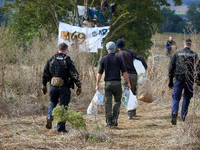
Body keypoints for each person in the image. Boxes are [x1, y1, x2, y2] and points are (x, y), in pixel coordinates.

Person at [42, 43, 82, 133]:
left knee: (52, 102)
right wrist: (79, 86)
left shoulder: (51, 59)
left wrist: (43, 85)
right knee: (63, 106)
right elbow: (74, 74)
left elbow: (45, 73)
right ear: (66, 50)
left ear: (58, 50)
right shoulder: (67, 60)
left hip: (53, 87)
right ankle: (61, 128)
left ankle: (49, 117)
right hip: (64, 87)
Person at [96, 41, 131, 128]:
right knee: (117, 101)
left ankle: (108, 122)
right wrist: (128, 82)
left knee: (108, 103)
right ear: (114, 48)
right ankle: (114, 118)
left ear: (107, 49)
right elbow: (124, 72)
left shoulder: (103, 59)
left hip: (107, 84)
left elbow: (99, 73)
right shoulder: (119, 58)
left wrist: (97, 84)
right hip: (117, 84)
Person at [168, 39, 199, 125]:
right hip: (189, 80)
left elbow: (171, 67)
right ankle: (183, 117)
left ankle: (174, 113)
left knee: (176, 98)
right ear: (190, 45)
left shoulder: (177, 53)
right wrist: (198, 81)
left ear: (183, 45)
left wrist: (170, 80)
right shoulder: (194, 55)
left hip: (179, 79)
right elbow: (198, 69)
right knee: (186, 98)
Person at [116, 39, 148, 119]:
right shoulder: (130, 52)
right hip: (134, 75)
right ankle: (133, 111)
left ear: (117, 47)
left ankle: (129, 113)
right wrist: (145, 67)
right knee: (133, 93)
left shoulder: (117, 54)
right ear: (124, 45)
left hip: (125, 76)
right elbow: (140, 58)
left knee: (126, 94)